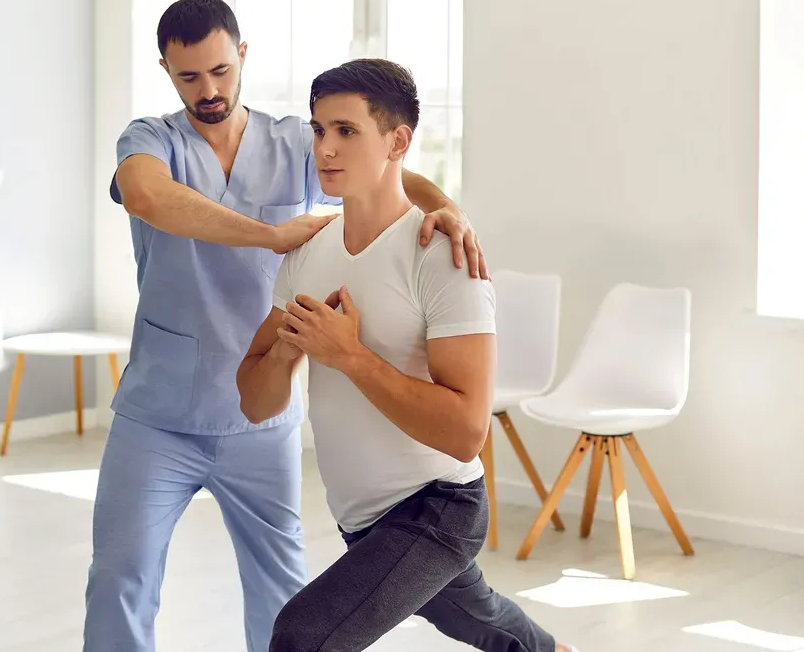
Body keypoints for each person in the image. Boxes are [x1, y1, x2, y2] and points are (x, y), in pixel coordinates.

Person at [86, 0, 486, 652]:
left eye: (220, 70)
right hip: (157, 415)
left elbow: (386, 168)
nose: (208, 90)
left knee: (282, 595)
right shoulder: (150, 139)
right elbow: (146, 195)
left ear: (242, 55)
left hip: (260, 422)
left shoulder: (292, 141)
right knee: (120, 578)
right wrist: (270, 234)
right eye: (188, 77)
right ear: (165, 69)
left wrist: (450, 209)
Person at [237, 59, 574, 652]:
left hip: (436, 507)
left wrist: (350, 357)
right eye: (318, 131)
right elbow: (256, 401)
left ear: (398, 141)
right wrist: (289, 350)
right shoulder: (306, 254)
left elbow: (468, 433)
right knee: (487, 623)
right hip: (360, 519)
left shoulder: (441, 256)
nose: (326, 148)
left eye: (346, 131)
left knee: (303, 637)